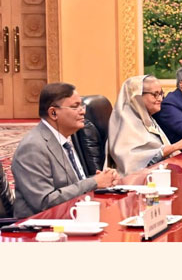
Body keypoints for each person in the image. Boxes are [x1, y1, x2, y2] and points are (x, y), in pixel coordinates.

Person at [11, 83, 120, 218]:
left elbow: (70, 184)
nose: (83, 111)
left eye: (82, 106)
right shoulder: (33, 147)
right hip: (42, 225)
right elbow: (45, 202)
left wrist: (102, 179)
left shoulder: (66, 139)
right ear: (53, 113)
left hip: (72, 216)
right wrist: (94, 182)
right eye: (75, 107)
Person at [107, 75, 182, 175]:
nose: (160, 99)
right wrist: (174, 147)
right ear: (137, 96)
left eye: (161, 94)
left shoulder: (147, 118)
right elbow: (134, 167)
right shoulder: (126, 123)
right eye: (155, 94)